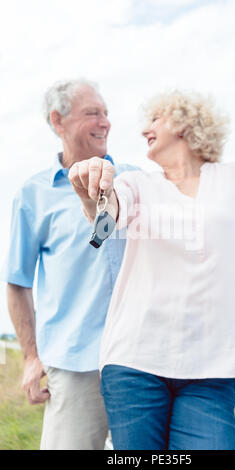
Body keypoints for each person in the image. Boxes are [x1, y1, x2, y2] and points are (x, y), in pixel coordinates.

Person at [69, 90, 235, 451]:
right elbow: (103, 228)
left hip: (211, 370)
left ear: (185, 122)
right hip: (134, 364)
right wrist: (90, 194)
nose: (145, 128)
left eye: (155, 119)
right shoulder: (137, 184)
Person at [1, 79, 139, 450]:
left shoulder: (135, 179)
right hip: (76, 367)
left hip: (141, 363)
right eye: (93, 112)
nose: (105, 122)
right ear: (58, 121)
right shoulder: (33, 195)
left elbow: (193, 204)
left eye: (107, 113)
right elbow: (17, 283)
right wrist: (31, 357)